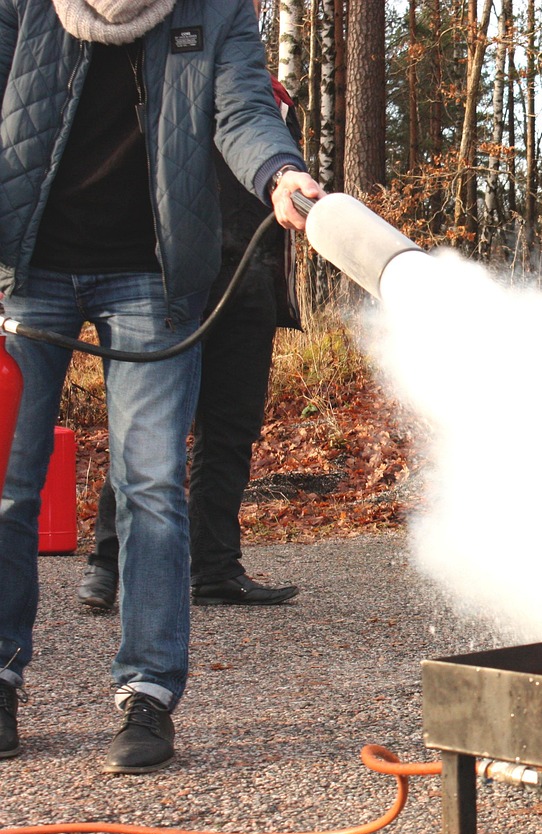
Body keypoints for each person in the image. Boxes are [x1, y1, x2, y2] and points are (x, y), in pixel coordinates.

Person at [0, 0, 323, 773]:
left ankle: (146, 692)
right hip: (26, 268)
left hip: (152, 274)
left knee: (148, 482)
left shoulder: (216, 10)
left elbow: (243, 110)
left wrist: (281, 173)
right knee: (8, 482)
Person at [77, 71, 304, 610]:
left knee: (229, 432)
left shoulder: (274, 98)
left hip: (251, 281)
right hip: (174, 283)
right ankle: (107, 564)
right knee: (149, 426)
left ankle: (216, 569)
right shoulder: (172, 79)